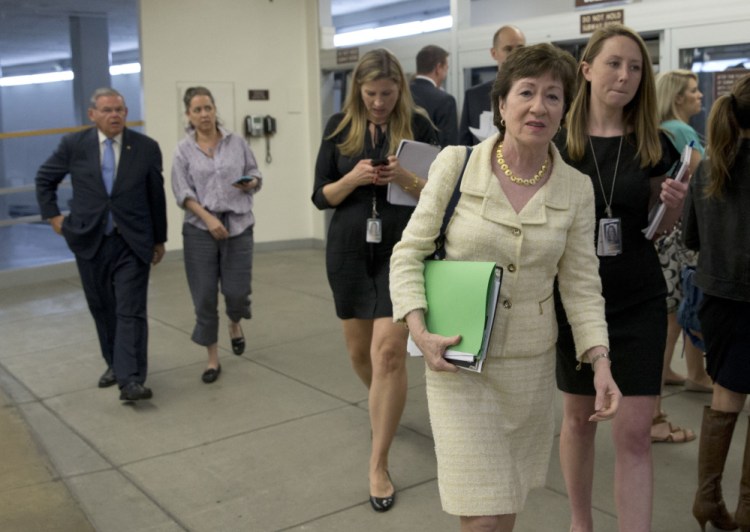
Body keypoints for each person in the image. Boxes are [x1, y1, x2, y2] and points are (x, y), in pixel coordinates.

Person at [390, 43, 621, 532]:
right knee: (483, 519)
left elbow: (581, 285)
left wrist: (600, 360)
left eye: (553, 96)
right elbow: (408, 253)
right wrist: (418, 329)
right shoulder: (455, 164)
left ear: (565, 110)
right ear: (501, 104)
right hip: (458, 364)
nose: (539, 106)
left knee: (505, 507)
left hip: (527, 371)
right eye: (527, 92)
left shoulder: (576, 189)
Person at [553, 25, 688, 532]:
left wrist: (671, 209)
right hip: (574, 301)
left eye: (635, 67)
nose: (625, 76)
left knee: (632, 433)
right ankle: (580, 522)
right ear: (586, 70)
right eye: (614, 63)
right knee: (580, 421)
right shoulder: (559, 143)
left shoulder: (655, 143)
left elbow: (659, 231)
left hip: (638, 298)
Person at [311, 48, 438, 512]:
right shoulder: (338, 128)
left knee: (388, 354)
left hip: (401, 251)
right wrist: (354, 178)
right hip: (347, 248)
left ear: (399, 89)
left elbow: (439, 192)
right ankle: (382, 406)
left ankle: (378, 463)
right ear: (357, 91)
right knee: (361, 354)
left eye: (386, 93)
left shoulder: (420, 127)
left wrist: (403, 177)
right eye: (370, 94)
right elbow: (320, 195)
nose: (379, 102)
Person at [35, 87, 167, 402]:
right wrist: (53, 216)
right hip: (89, 240)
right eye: (107, 110)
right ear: (92, 114)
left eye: (120, 109)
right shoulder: (74, 145)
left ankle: (131, 379)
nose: (114, 115)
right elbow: (45, 178)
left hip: (132, 241)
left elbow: (156, 196)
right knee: (103, 308)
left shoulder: (146, 147)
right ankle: (115, 364)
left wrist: (159, 238)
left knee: (130, 310)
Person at [684, 72, 750, 532]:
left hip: (718, 298)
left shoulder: (709, 165)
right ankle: (748, 509)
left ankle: (707, 499)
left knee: (726, 393)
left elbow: (690, 236)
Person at [171, 86, 262, 384]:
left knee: (236, 292)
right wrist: (209, 219)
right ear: (189, 114)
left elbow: (255, 172)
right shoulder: (183, 150)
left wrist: (251, 182)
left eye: (208, 108)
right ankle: (212, 359)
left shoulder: (236, 142)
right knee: (205, 296)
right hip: (200, 228)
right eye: (197, 110)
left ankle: (235, 322)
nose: (204, 114)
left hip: (238, 225)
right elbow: (182, 192)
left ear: (214, 109)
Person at [651, 69, 712, 444]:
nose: (700, 96)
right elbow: (705, 176)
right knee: (681, 306)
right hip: (681, 233)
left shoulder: (661, 130)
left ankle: (678, 372)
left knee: (674, 308)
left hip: (666, 232)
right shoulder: (682, 131)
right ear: (677, 98)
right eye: (692, 91)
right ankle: (685, 375)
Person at [458, 25, 525, 146]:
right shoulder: (473, 96)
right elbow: (464, 144)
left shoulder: (536, 94)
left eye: (520, 48)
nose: (515, 54)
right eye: (508, 49)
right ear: (494, 53)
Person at [410, 44, 458, 147]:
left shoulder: (401, 95)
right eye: (446, 68)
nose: (445, 74)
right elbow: (449, 147)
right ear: (438, 67)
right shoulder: (445, 100)